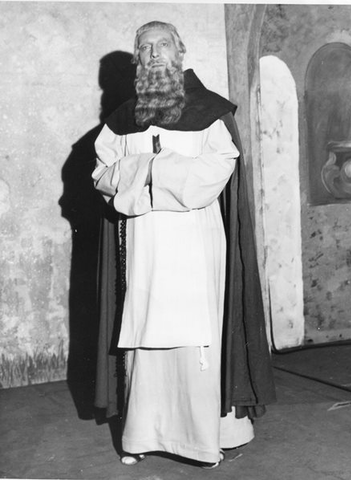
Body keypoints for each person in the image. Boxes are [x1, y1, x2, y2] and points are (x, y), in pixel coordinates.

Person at [92, 20, 276, 469]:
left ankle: (205, 438)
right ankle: (141, 434)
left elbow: (217, 171)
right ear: (138, 58)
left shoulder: (209, 111)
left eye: (163, 45)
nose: (154, 53)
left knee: (198, 338)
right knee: (145, 335)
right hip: (143, 245)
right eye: (145, 47)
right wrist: (150, 172)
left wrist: (152, 168)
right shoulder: (120, 120)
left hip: (195, 242)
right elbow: (102, 175)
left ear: (180, 52)